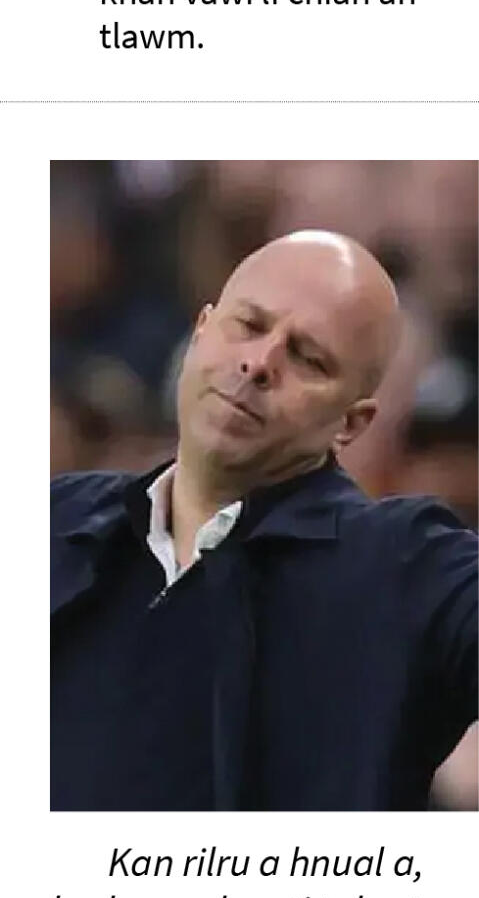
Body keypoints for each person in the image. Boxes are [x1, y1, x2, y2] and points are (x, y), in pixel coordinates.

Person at [50, 227, 478, 811]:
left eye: (308, 358)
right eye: (248, 325)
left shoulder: (404, 566)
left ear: (351, 423)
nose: (258, 363)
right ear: (200, 331)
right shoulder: (57, 519)